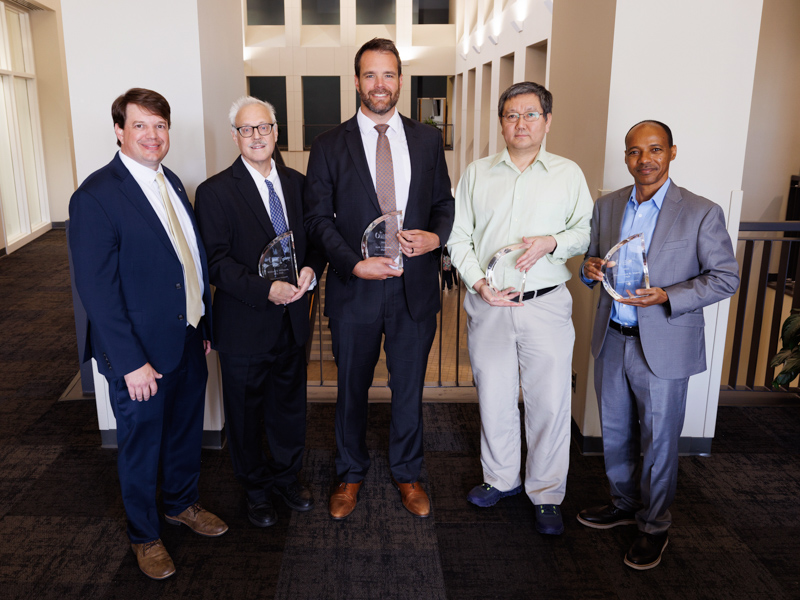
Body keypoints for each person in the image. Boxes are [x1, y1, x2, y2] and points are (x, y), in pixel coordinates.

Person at [69, 88, 227, 580]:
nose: (152, 135)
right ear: (119, 130)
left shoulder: (170, 180)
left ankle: (181, 503)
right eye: (140, 125)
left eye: (160, 125)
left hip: (186, 336)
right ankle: (144, 535)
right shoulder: (95, 196)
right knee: (140, 446)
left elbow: (187, 261)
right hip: (139, 354)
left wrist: (202, 323)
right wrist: (130, 362)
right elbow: (97, 292)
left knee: (184, 431)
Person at [577, 120, 739, 569]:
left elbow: (726, 278)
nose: (644, 159)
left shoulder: (701, 211)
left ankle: (654, 525)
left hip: (665, 342)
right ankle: (624, 503)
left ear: (671, 152)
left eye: (654, 150)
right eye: (634, 151)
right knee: (615, 432)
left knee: (659, 440)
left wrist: (669, 295)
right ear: (626, 157)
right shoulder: (608, 205)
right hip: (613, 337)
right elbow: (593, 259)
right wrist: (589, 269)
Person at [304, 38, 454, 520]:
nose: (380, 84)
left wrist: (436, 237)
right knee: (351, 389)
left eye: (388, 74)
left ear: (400, 81)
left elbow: (444, 204)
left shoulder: (427, 140)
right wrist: (353, 263)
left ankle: (407, 472)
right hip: (356, 289)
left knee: (408, 389)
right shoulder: (329, 144)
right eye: (370, 75)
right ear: (356, 81)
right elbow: (316, 220)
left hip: (414, 288)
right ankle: (349, 474)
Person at [447, 81, 592, 536]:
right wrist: (478, 283)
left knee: (549, 402)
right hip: (488, 303)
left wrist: (552, 242)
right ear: (501, 123)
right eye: (512, 115)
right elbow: (459, 238)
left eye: (531, 115)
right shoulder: (476, 173)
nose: (521, 123)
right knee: (494, 397)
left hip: (544, 305)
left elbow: (584, 232)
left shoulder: (568, 173)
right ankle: (500, 478)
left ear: (547, 121)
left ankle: (546, 493)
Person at [194, 96, 325, 528]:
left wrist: (311, 269)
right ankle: (255, 490)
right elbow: (216, 262)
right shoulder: (214, 192)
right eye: (246, 129)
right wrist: (266, 289)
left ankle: (287, 478)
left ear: (276, 132)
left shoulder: (299, 184)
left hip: (293, 321)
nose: (256, 136)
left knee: (289, 408)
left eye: (263, 127)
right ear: (235, 137)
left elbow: (316, 241)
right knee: (245, 414)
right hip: (245, 324)